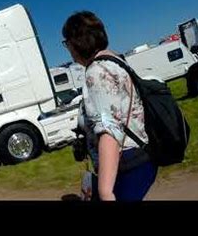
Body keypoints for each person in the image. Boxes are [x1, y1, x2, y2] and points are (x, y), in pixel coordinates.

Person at [62, 11, 158, 201]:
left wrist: (106, 192)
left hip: (126, 166)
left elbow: (109, 132)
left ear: (77, 41)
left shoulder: (96, 73)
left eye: (67, 42)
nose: (68, 49)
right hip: (138, 160)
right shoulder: (114, 61)